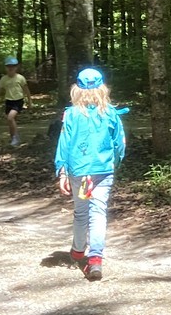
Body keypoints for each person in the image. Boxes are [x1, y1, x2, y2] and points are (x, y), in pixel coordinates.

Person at [53, 67, 128, 282]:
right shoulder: (111, 113)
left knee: (81, 212)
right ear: (103, 88)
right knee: (98, 213)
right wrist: (115, 161)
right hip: (103, 171)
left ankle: (78, 251)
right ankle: (95, 259)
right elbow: (120, 143)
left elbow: (64, 144)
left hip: (78, 171)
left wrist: (62, 171)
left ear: (76, 89)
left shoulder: (71, 114)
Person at [0, 56, 31, 147]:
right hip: (8, 101)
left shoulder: (20, 78)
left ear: (16, 67)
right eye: (8, 66)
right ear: (5, 67)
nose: (10, 68)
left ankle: (15, 138)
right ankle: (13, 138)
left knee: (10, 118)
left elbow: (26, 90)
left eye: (13, 66)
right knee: (10, 121)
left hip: (18, 101)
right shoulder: (4, 79)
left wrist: (29, 101)